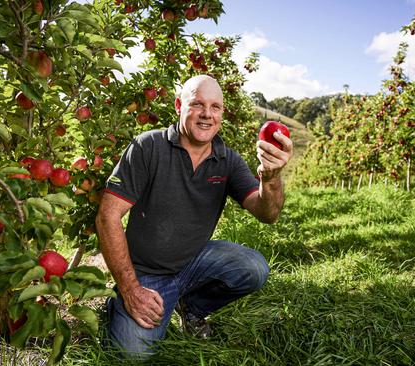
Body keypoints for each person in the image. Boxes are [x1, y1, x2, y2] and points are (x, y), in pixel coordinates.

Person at [95, 74, 293, 359]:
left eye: (215, 107)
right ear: (179, 106)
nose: (207, 114)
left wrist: (271, 178)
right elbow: (107, 217)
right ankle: (120, 302)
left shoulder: (228, 160)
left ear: (222, 113)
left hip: (194, 262)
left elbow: (267, 213)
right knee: (131, 354)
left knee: (254, 267)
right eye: (197, 104)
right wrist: (131, 289)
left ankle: (192, 306)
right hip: (147, 273)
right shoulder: (147, 147)